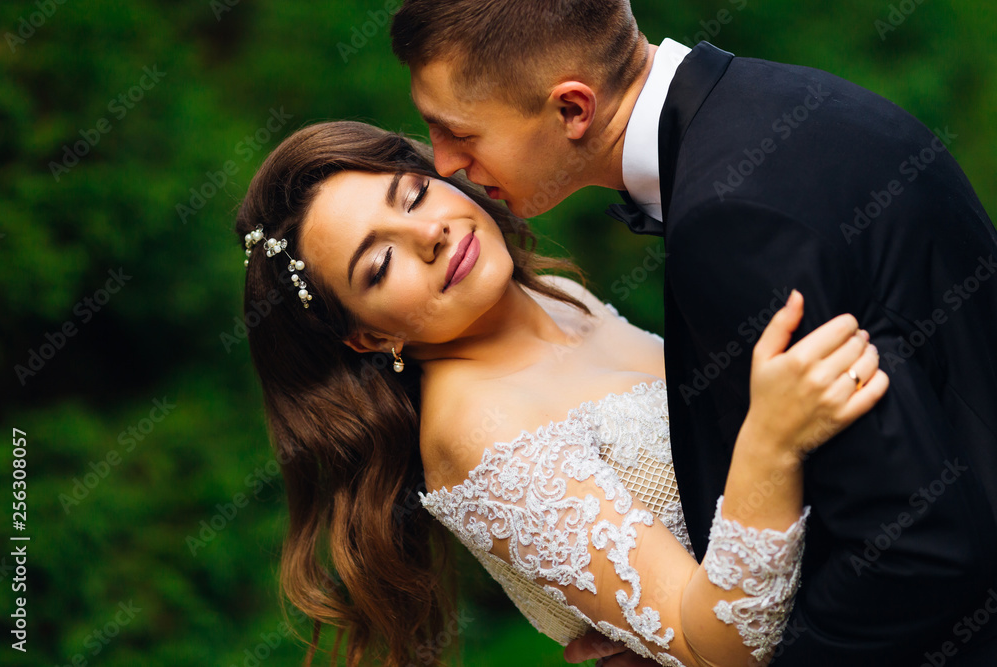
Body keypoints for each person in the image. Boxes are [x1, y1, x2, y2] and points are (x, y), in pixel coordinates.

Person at [389, 1, 997, 664]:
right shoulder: (790, 98)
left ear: (572, 109)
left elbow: (916, 550)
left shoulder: (731, 221)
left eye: (458, 134)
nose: (445, 163)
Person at [235, 120, 887, 667]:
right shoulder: (479, 427)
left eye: (411, 196)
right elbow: (722, 644)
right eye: (379, 265)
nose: (428, 234)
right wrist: (770, 443)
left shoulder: (563, 298)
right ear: (366, 336)